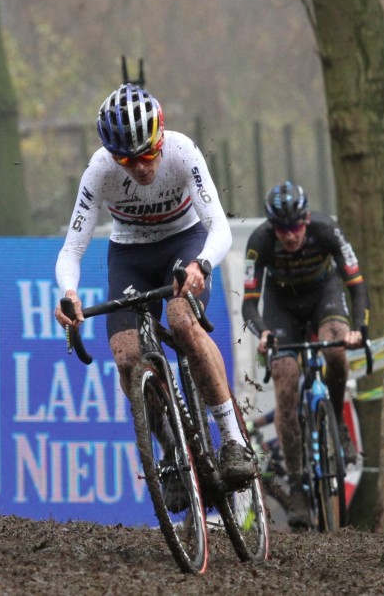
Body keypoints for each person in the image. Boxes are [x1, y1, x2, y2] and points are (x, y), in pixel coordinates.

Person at [54, 83, 256, 497]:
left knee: (182, 322)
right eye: (127, 160)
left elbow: (219, 226)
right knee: (127, 356)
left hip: (184, 243)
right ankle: (171, 453)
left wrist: (201, 264)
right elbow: (72, 248)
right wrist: (69, 293)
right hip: (130, 255)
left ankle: (232, 439)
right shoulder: (98, 172)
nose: (141, 167)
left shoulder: (182, 152)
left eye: (148, 154)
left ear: (160, 136)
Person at [241, 180, 369, 530]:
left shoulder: (328, 230)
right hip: (282, 308)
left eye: (296, 226)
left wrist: (359, 328)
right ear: (272, 227)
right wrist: (263, 333)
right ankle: (297, 488)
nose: (290, 235)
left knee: (337, 349)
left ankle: (339, 425)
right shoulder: (260, 243)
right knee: (284, 383)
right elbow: (249, 305)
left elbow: (356, 285)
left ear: (307, 218)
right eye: (282, 228)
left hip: (324, 297)